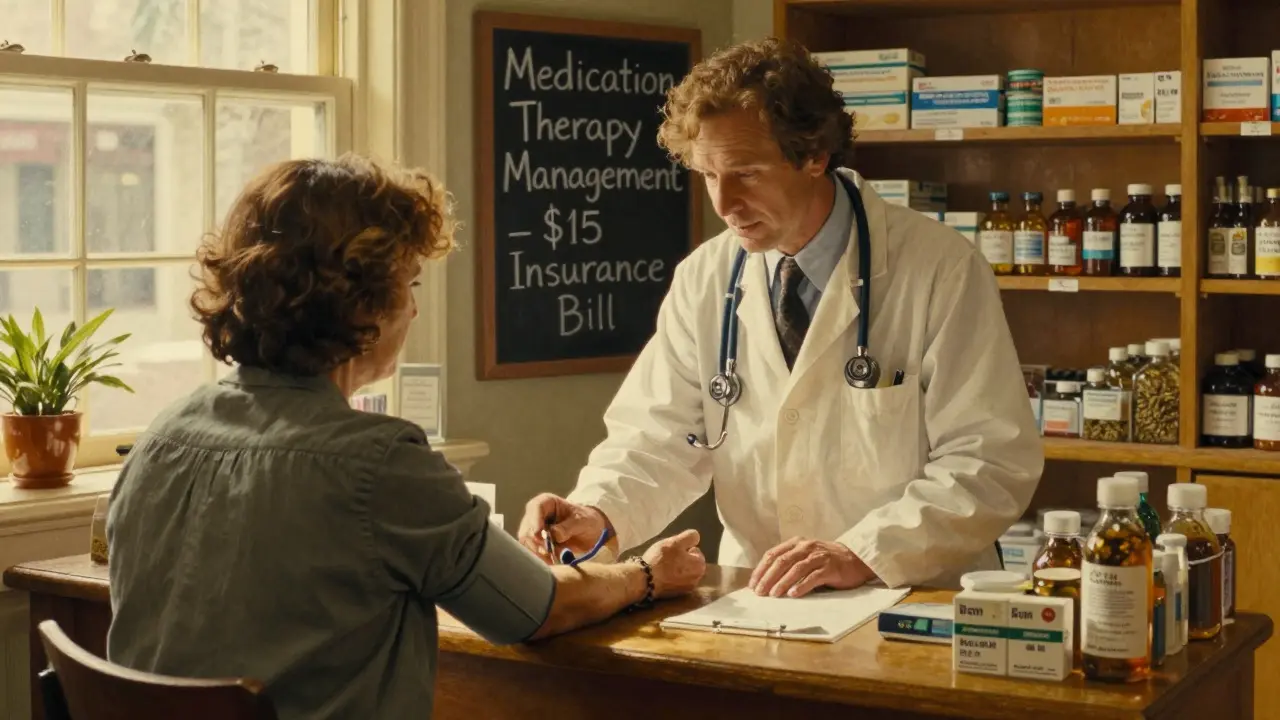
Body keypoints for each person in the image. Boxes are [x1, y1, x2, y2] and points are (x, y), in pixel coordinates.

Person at [105, 154, 706, 720]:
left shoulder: (164, 435)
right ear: (361, 305)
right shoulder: (377, 464)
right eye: (410, 285)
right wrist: (647, 575)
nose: (414, 311)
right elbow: (535, 609)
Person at [518, 38, 1043, 598]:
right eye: (708, 175)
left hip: (909, 596)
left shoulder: (941, 269)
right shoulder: (705, 278)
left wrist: (862, 552)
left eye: (746, 173)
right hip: (761, 597)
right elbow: (658, 437)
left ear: (814, 155)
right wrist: (598, 512)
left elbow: (989, 460)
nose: (724, 205)